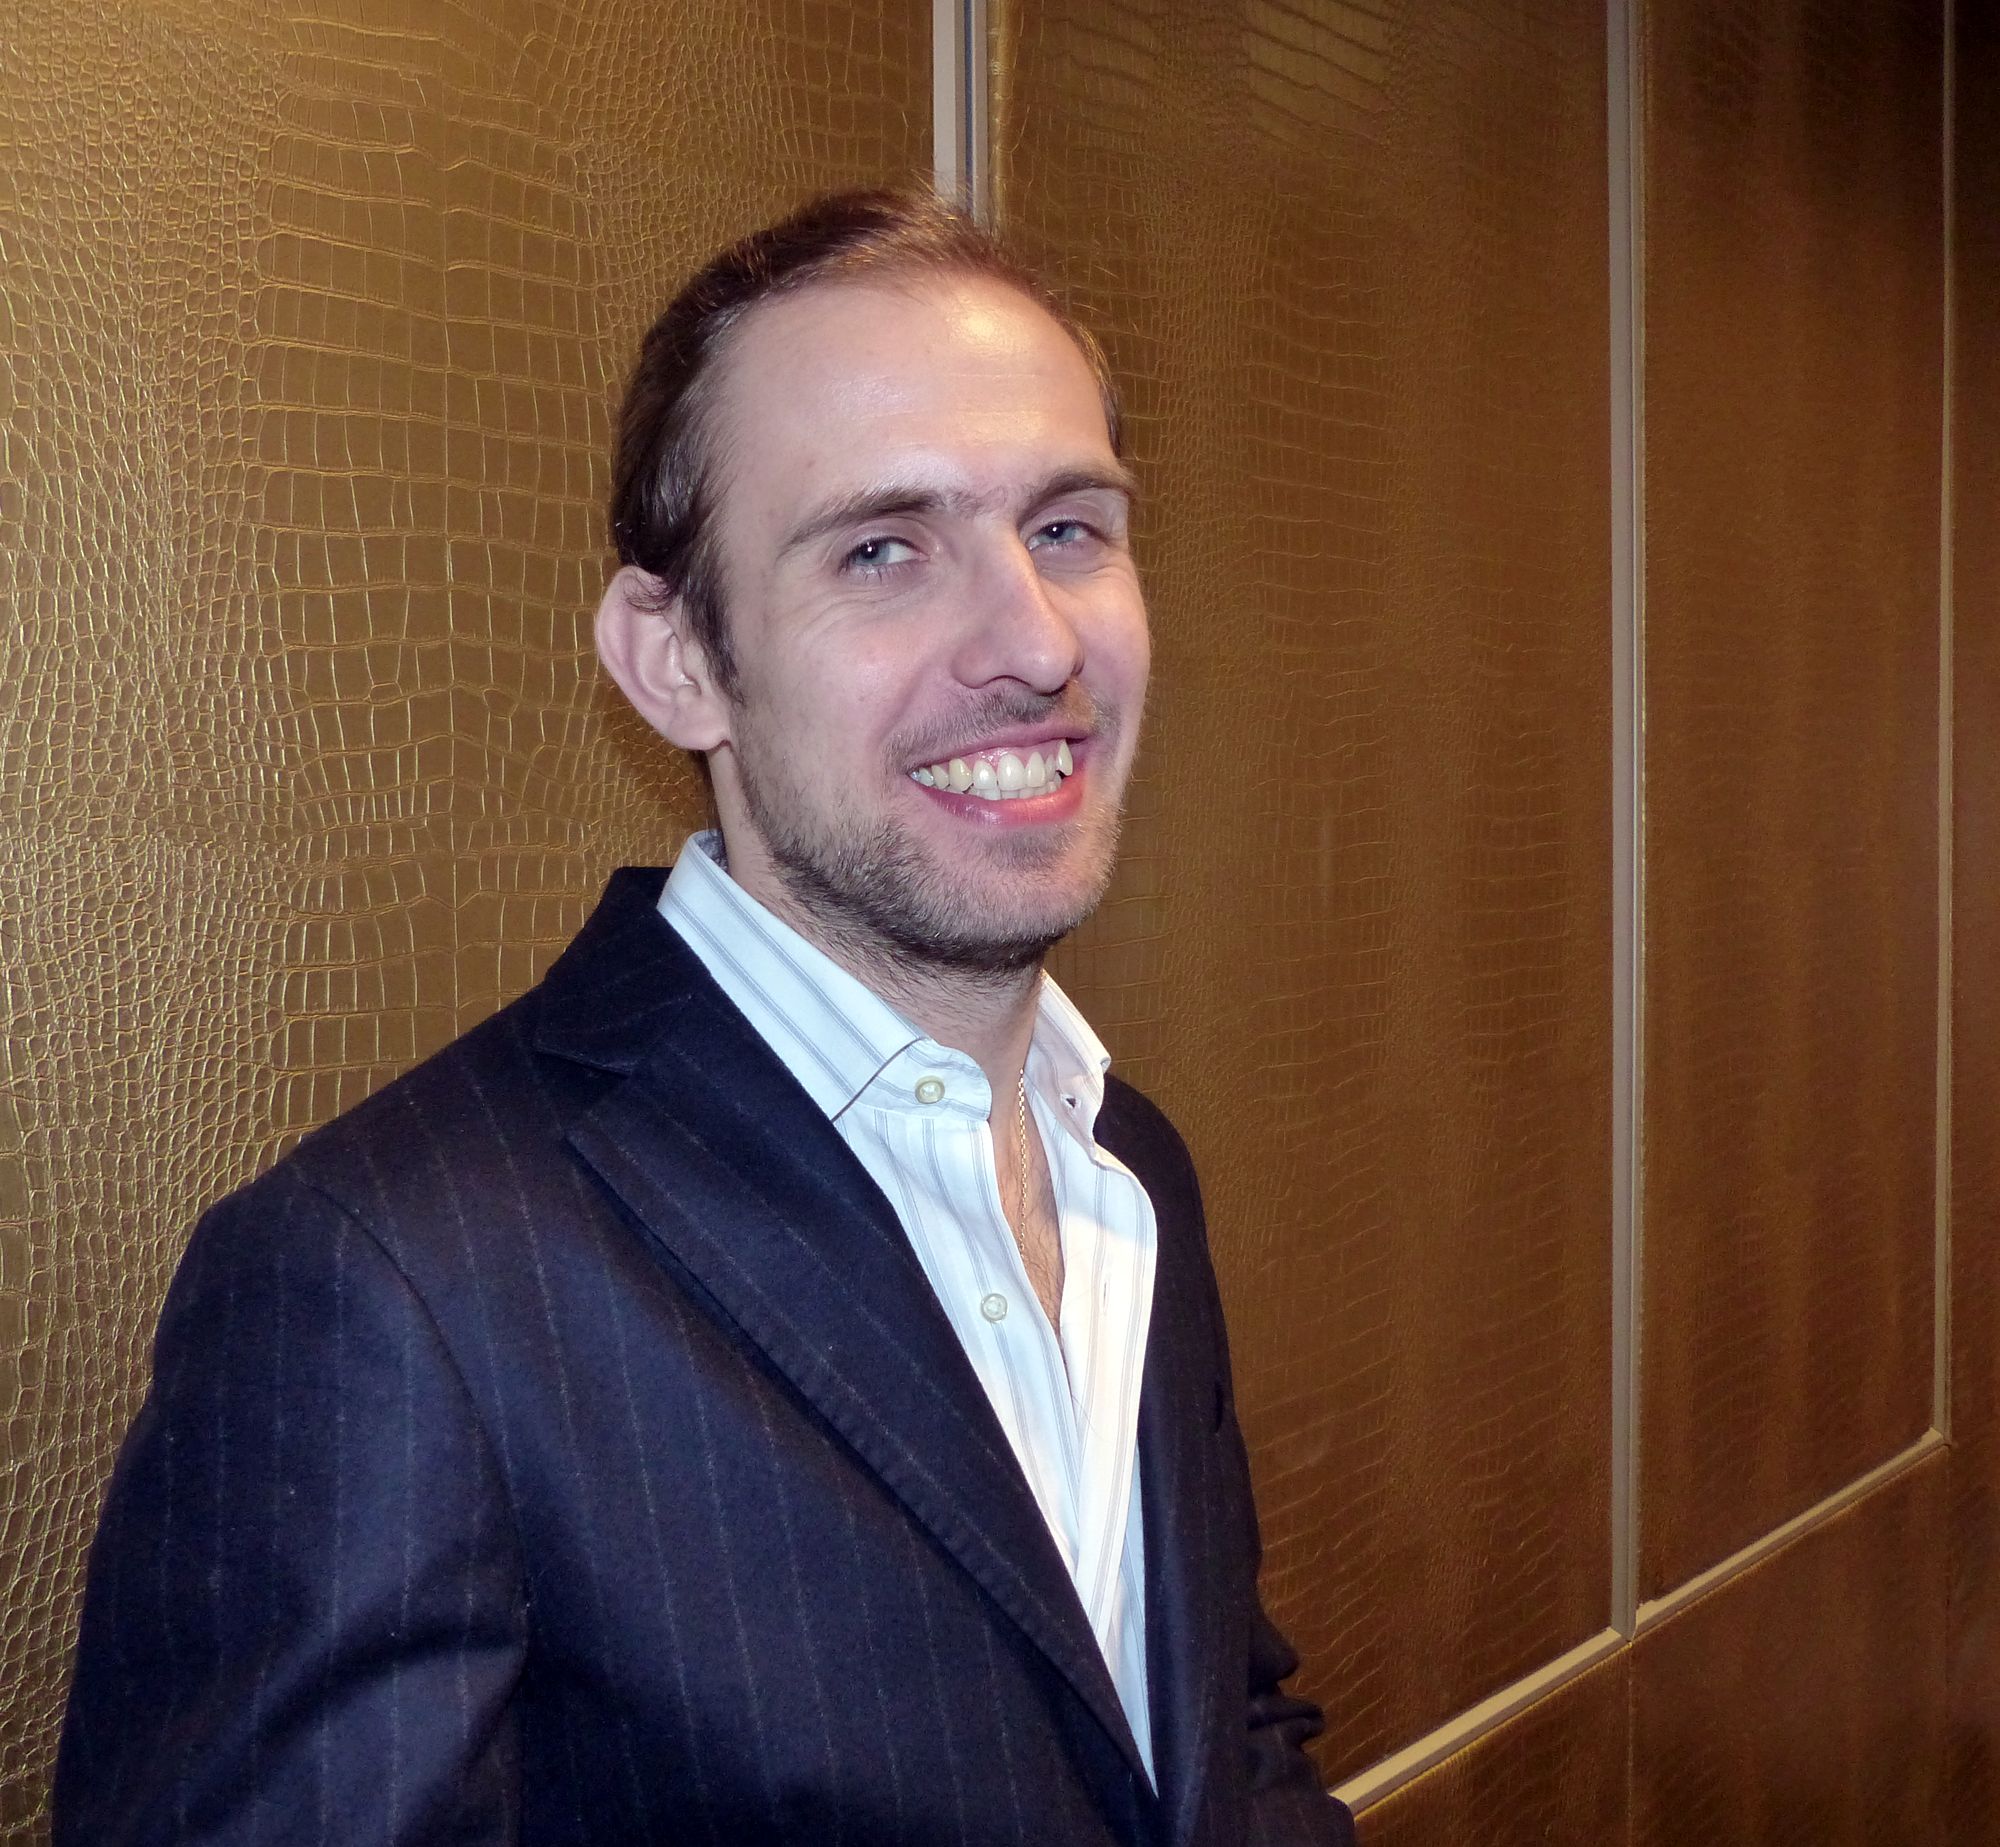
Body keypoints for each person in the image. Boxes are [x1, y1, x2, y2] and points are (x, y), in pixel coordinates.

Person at [55, 189, 1355, 1847]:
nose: (1034, 642)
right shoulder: (393, 1287)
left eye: (1069, 528)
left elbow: (1218, 1745)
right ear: (674, 662)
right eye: (882, 550)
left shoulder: (1126, 1167)